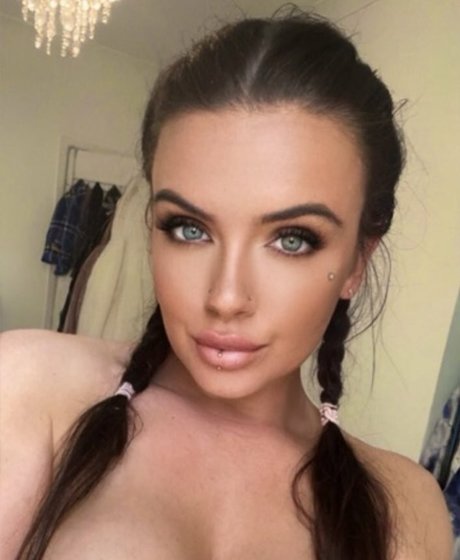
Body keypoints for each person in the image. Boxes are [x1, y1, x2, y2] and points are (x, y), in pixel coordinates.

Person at [0, 6, 454, 560]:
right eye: (188, 229)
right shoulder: (27, 388)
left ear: (357, 262)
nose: (226, 297)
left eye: (292, 239)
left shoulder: (405, 507)